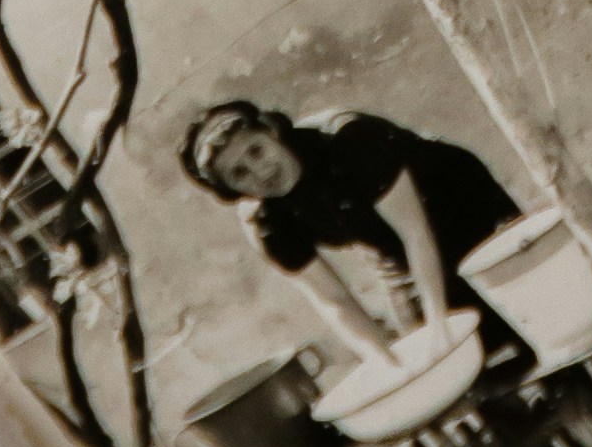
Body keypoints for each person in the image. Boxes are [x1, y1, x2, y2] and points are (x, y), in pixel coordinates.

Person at [183, 97, 522, 363]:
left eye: (256, 150)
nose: (261, 172)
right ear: (231, 190)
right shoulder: (265, 221)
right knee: (424, 354)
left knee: (512, 309)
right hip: (391, 246)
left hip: (463, 204)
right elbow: (334, 301)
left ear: (272, 131)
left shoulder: (346, 138)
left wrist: (440, 326)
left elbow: (415, 232)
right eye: (240, 173)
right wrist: (388, 365)